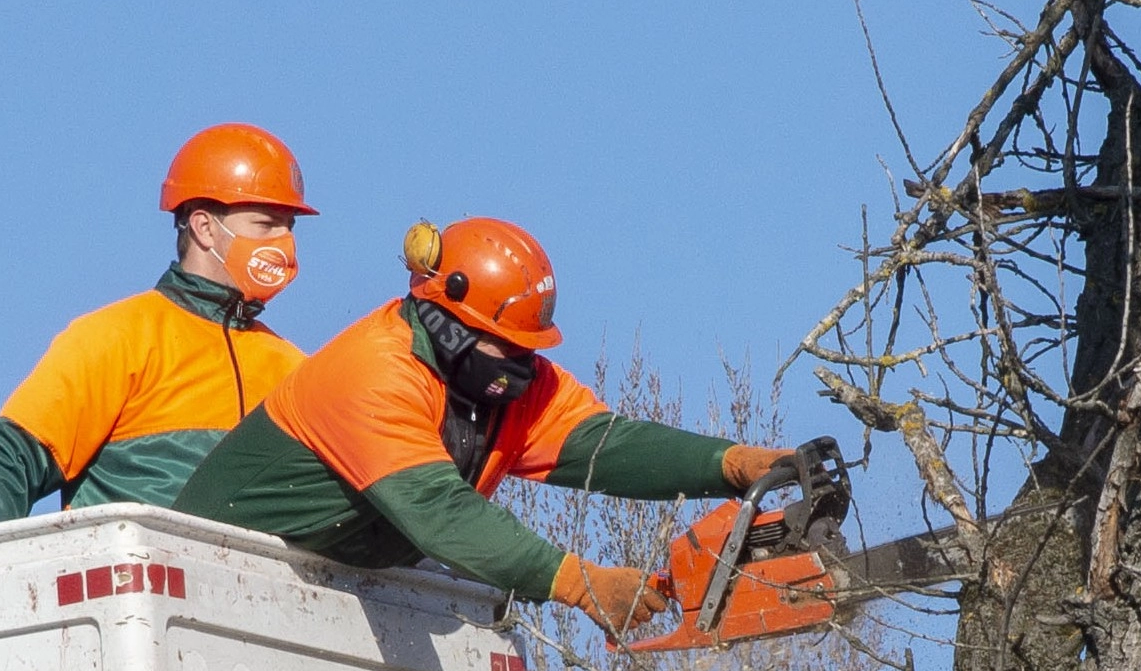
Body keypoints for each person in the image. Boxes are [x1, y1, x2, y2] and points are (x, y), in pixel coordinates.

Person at [170, 217, 793, 638]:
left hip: (312, 595)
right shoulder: (373, 372)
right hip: (206, 590)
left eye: (528, 351)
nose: (522, 369)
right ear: (445, 321)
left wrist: (731, 464)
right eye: (505, 349)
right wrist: (578, 582)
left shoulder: (505, 381)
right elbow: (444, 513)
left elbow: (605, 444)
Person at [0, 124, 317, 530]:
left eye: (289, 226)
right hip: (132, 588)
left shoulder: (295, 371)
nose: (284, 242)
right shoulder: (119, 337)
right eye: (266, 223)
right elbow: (7, 457)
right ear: (204, 227)